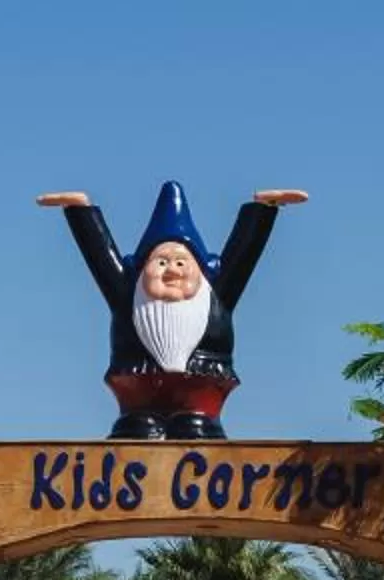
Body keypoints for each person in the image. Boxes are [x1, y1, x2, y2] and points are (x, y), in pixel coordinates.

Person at [38, 181, 306, 440]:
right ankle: (140, 422)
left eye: (181, 261)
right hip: (137, 394)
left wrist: (264, 209)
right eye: (162, 261)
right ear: (143, 267)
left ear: (201, 268)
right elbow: (99, 254)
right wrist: (79, 210)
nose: (172, 269)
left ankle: (197, 420)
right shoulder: (128, 294)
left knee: (195, 428)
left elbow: (244, 254)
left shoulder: (216, 294)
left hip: (202, 393)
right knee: (137, 430)